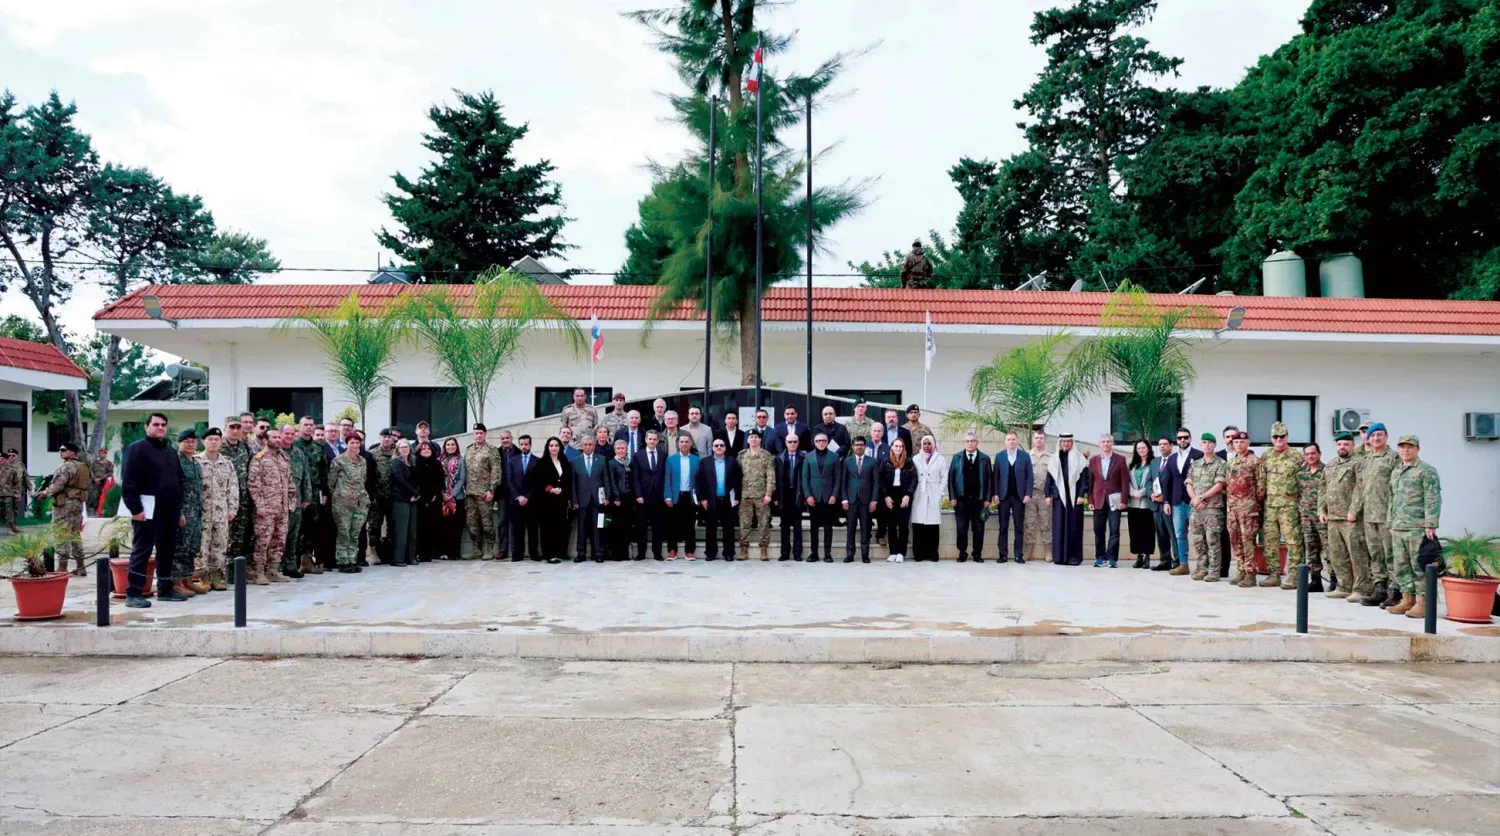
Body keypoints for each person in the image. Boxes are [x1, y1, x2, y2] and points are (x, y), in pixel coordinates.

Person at [1387, 434, 1442, 618]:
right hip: (1398, 526)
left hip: (1417, 527)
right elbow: (1392, 498)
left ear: (1417, 449)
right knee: (1401, 566)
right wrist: (1390, 521)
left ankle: (1423, 603)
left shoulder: (1426, 471)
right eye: (1402, 447)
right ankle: (1407, 599)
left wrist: (1431, 524)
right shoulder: (1396, 471)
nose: (1406, 450)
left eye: (1410, 447)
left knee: (1418, 566)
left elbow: (1433, 498)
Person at [1352, 422, 1400, 608]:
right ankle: (1380, 589)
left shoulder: (1393, 458)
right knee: (1375, 554)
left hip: (1387, 515)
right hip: (1369, 516)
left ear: (1386, 436)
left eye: (1380, 435)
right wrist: (1354, 510)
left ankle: (1395, 591)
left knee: (1391, 554)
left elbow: (1399, 487)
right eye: (1372, 435)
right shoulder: (1367, 459)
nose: (1376, 438)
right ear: (1368, 439)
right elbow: (1360, 488)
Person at [1319, 432, 1371, 602]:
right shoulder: (1331, 464)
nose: (1342, 447)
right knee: (1337, 554)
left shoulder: (1359, 463)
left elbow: (1360, 488)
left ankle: (1361, 588)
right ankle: (1344, 586)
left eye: (1346, 444)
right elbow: (1323, 488)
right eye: (1339, 444)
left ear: (1352, 446)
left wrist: (1354, 510)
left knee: (1357, 554)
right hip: (1333, 516)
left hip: (1351, 518)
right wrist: (1321, 510)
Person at [246, 424, 294, 585]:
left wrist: (291, 501)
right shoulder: (259, 458)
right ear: (266, 440)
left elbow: (289, 481)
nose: (278, 440)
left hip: (282, 507)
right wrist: (259, 506)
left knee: (279, 540)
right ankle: (258, 572)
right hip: (266, 507)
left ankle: (272, 570)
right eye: (274, 437)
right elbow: (253, 484)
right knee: (263, 540)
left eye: (279, 437)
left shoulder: (283, 457)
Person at [1260, 421, 1304, 590]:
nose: (1278, 439)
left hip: (1289, 506)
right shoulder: (1266, 456)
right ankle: (1274, 574)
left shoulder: (1297, 456)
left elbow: (1303, 480)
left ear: (1287, 437)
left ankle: (1295, 576)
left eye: (1282, 436)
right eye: (1275, 437)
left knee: (1293, 542)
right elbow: (1262, 480)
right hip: (1270, 506)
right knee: (1270, 541)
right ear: (1271, 438)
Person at [35, 442, 89, 577]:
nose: (60, 452)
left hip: (64, 504)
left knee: (61, 533)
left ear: (72, 452)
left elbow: (58, 485)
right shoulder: (83, 466)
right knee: (75, 534)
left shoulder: (66, 466)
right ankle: (81, 566)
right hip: (78, 503)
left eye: (63, 450)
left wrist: (44, 493)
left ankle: (62, 567)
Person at [195, 427, 238, 591]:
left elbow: (233, 487)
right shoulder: (196, 461)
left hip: (221, 512)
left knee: (220, 545)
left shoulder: (227, 463)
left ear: (220, 442)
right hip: (202, 512)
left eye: (216, 440)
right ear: (203, 441)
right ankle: (203, 578)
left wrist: (232, 509)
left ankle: (217, 577)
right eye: (210, 439)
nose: (213, 442)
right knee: (202, 546)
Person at [1158, 427, 1202, 574]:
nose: (1183, 440)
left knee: (1199, 534)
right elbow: (1167, 482)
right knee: (1179, 534)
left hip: (1194, 501)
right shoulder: (1172, 458)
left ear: (1190, 439)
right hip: (1177, 502)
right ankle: (1183, 564)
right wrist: (1166, 502)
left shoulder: (1198, 455)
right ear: (1176, 441)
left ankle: (1203, 566)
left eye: (1185, 437)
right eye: (1180, 438)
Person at [1186, 434, 1228, 581]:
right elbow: (1189, 483)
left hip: (1212, 510)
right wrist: (1194, 499)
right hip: (1197, 509)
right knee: (1198, 540)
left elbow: (1219, 485)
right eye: (1204, 442)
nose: (1207, 445)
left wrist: (1201, 497)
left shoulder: (1221, 463)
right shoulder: (1195, 464)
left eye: (1210, 442)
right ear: (1200, 445)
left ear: (1215, 445)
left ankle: (1214, 571)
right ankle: (1202, 569)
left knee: (1212, 541)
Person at [1224, 432, 1263, 586]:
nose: (1239, 444)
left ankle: (1251, 574)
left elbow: (1261, 486)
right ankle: (1241, 570)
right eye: (1236, 442)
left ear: (1248, 443)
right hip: (1232, 508)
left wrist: (1254, 504)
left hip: (1248, 508)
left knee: (1248, 541)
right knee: (1235, 540)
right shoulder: (1232, 462)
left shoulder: (1255, 461)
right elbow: (1228, 485)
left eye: (1242, 442)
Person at [329, 432, 371, 573]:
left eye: (357, 442)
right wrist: (339, 494)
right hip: (342, 502)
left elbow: (363, 479)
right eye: (352, 442)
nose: (355, 445)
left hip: (360, 502)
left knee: (354, 533)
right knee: (344, 532)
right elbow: (331, 481)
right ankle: (343, 561)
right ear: (347, 443)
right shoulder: (339, 460)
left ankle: (352, 559)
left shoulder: (362, 461)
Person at [947, 432, 992, 563]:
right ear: (964, 443)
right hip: (961, 500)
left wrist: (988, 498)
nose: (970, 443)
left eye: (972, 441)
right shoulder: (957, 458)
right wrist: (952, 496)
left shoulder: (985, 459)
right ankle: (962, 553)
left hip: (979, 500)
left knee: (978, 528)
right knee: (961, 528)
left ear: (977, 442)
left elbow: (989, 480)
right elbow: (951, 479)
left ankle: (977, 554)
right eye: (967, 441)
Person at [1045, 433, 1089, 566]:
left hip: (1075, 499)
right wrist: (1047, 495)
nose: (1065, 444)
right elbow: (1049, 479)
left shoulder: (1080, 458)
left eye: (1068, 441)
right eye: (1063, 441)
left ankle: (1074, 557)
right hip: (1059, 499)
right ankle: (1059, 557)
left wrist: (1081, 494)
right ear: (1059, 442)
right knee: (1059, 528)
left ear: (1072, 443)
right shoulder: (1054, 458)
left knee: (1074, 527)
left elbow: (1084, 479)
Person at [171, 430, 205, 597]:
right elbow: (174, 489)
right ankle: (176, 582)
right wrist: (179, 512)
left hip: (196, 513)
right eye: (186, 441)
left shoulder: (195, 463)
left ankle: (188, 580)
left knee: (192, 548)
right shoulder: (176, 462)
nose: (190, 444)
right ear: (179, 443)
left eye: (193, 441)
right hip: (184, 512)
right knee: (180, 548)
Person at [287, 417, 322, 578]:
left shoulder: (318, 447)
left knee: (311, 527)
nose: (308, 427)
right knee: (296, 529)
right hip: (296, 493)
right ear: (299, 427)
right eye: (305, 425)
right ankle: (292, 564)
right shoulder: (293, 446)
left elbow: (323, 471)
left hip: (314, 494)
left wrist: (324, 492)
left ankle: (307, 561)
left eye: (311, 425)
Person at [696, 437, 741, 561]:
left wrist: (737, 498)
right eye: (716, 445)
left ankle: (729, 553)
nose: (719, 447)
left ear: (725, 448)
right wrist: (702, 499)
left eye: (721, 445)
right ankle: (710, 553)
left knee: (729, 528)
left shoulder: (732, 461)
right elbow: (700, 481)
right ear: (712, 448)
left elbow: (738, 481)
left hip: (728, 500)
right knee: (710, 528)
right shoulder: (705, 462)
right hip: (711, 500)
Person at [530, 437, 573, 564]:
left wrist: (562, 490)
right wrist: (551, 489)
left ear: (560, 447)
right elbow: (538, 481)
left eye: (556, 445)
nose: (554, 448)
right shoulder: (542, 462)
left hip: (561, 500)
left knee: (561, 526)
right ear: (547, 448)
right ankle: (549, 554)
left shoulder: (564, 461)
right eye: (551, 445)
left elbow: (568, 480)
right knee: (548, 527)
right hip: (547, 501)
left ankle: (560, 552)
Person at [801, 432, 843, 562]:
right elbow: (804, 478)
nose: (821, 443)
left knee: (828, 527)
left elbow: (838, 478)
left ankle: (827, 553)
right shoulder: (808, 457)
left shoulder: (834, 456)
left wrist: (834, 495)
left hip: (829, 498)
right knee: (813, 527)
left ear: (827, 442)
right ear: (814, 442)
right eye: (818, 440)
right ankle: (814, 553)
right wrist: (808, 495)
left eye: (823, 440)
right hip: (813, 498)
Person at [992, 430, 1032, 564]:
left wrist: (1028, 493)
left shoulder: (1025, 456)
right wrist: (995, 493)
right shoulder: (999, 456)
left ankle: (1018, 555)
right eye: (1009, 439)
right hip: (1003, 496)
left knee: (1019, 526)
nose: (1011, 442)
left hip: (1019, 497)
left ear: (1017, 441)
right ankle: (1002, 554)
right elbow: (995, 476)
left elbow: (1030, 476)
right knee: (1003, 526)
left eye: (1013, 439)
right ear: (1005, 442)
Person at [1088, 434, 1128, 568]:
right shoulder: (1093, 460)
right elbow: (1090, 482)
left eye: (1108, 441)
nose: (1106, 444)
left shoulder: (1120, 459)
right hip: (1098, 500)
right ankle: (1100, 557)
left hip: (1115, 501)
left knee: (1114, 530)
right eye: (1103, 442)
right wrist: (1090, 500)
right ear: (1099, 444)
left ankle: (1112, 558)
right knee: (1098, 530)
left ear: (1112, 443)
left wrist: (1124, 500)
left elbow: (1124, 482)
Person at [463, 424, 502, 560]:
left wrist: (491, 490)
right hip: (470, 493)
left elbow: (496, 471)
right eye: (476, 433)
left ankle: (489, 549)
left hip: (484, 493)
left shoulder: (491, 450)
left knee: (486, 523)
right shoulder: (469, 450)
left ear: (485, 434)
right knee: (471, 523)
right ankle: (476, 549)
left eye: (481, 433)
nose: (478, 435)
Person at [737, 429, 776, 560]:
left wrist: (768, 494)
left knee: (764, 522)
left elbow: (770, 476)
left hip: (761, 495)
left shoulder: (766, 455)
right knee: (744, 523)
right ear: (747, 440)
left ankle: (763, 548)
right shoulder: (742, 455)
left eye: (756, 437)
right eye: (751, 437)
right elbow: (736, 475)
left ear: (760, 440)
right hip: (745, 495)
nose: (753, 439)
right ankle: (744, 549)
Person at [222, 419, 254, 571]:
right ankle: (226, 571)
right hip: (225, 499)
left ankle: (240, 570)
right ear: (225, 428)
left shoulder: (245, 447)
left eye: (238, 427)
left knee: (242, 535)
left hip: (244, 498)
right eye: (232, 427)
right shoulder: (219, 446)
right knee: (225, 536)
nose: (235, 431)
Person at [631, 429, 668, 561]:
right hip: (643, 496)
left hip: (658, 496)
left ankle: (657, 552)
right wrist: (638, 495)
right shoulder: (637, 455)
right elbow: (635, 477)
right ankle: (641, 553)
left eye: (654, 439)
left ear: (658, 441)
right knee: (641, 526)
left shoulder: (663, 455)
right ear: (646, 440)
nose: (652, 441)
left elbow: (665, 475)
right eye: (650, 439)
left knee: (658, 525)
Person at [1297, 443, 1329, 592]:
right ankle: (1316, 580)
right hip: (1306, 516)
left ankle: (1334, 580)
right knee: (1311, 548)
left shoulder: (1327, 471)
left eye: (1313, 453)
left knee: (1328, 548)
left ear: (1319, 454)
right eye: (1307, 454)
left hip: (1322, 516)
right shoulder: (1301, 473)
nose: (1310, 456)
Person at [879, 438, 917, 562]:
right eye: (896, 446)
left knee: (903, 525)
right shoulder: (886, 461)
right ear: (892, 447)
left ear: (903, 448)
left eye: (901, 446)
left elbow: (914, 479)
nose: (898, 448)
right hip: (890, 496)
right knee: (891, 524)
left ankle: (901, 552)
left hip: (904, 495)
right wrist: (886, 496)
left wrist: (908, 495)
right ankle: (893, 552)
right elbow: (880, 480)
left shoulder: (909, 461)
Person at [841, 435, 877, 563]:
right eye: (857, 445)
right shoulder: (847, 461)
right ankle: (850, 555)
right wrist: (844, 499)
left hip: (866, 501)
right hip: (851, 501)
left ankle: (865, 555)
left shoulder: (872, 461)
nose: (859, 447)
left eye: (861, 445)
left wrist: (874, 500)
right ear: (853, 447)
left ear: (865, 446)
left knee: (865, 529)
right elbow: (843, 481)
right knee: (850, 528)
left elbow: (875, 482)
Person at [571, 436, 608, 563]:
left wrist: (607, 497)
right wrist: (574, 500)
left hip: (598, 500)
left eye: (590, 444)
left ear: (594, 446)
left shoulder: (602, 459)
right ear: (582, 446)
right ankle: (581, 553)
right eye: (585, 444)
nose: (587, 447)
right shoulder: (575, 461)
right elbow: (573, 484)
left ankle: (598, 553)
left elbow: (606, 479)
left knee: (598, 527)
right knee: (581, 528)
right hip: (581, 500)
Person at [910, 435, 946, 562]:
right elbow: (912, 475)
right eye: (924, 443)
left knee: (933, 526)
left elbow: (944, 477)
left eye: (929, 443)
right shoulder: (915, 458)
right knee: (918, 525)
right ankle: (918, 554)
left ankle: (933, 553)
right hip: (919, 492)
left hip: (933, 491)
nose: (926, 446)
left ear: (933, 444)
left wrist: (939, 492)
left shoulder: (940, 459)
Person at [664, 433, 700, 560]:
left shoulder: (696, 460)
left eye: (686, 442)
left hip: (690, 496)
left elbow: (699, 480)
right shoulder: (671, 459)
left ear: (690, 444)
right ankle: (672, 550)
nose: (684, 444)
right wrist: (667, 496)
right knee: (672, 524)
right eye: (682, 442)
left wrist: (698, 497)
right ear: (678, 444)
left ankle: (689, 551)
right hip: (675, 496)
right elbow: (667, 479)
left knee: (690, 524)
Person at [505, 435, 540, 561]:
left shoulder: (537, 461)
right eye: (521, 444)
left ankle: (533, 553)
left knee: (533, 529)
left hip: (532, 501)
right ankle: (517, 554)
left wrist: (528, 497)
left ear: (530, 445)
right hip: (516, 501)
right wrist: (518, 496)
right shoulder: (512, 461)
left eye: (526, 444)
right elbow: (509, 481)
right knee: (517, 529)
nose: (524, 447)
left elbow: (537, 482)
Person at [774, 433, 806, 561]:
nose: (792, 444)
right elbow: (775, 478)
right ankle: (785, 553)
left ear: (798, 443)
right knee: (784, 526)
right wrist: (775, 497)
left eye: (795, 442)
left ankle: (797, 553)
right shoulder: (779, 458)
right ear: (785, 443)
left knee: (797, 525)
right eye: (790, 442)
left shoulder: (804, 457)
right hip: (784, 495)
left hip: (798, 494)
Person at [1125, 440, 1157, 569]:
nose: (1141, 450)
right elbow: (1127, 481)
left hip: (1147, 503)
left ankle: (1147, 557)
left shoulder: (1154, 463)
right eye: (1138, 448)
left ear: (1148, 448)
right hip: (1133, 503)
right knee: (1135, 531)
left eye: (1143, 447)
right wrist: (1132, 492)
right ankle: (1138, 556)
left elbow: (1154, 481)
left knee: (1147, 531)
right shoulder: (1133, 464)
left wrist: (1142, 492)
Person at [368, 429, 397, 563]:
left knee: (393, 524)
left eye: (389, 437)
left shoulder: (396, 453)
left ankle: (391, 552)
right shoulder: (372, 453)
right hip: (377, 496)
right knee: (374, 525)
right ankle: (374, 551)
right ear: (380, 438)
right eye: (384, 437)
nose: (386, 439)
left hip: (393, 496)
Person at [389, 440, 419, 566]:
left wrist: (417, 494)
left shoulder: (412, 463)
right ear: (397, 449)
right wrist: (413, 494)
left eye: (406, 447)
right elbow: (400, 481)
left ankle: (411, 558)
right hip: (401, 500)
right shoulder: (396, 463)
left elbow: (417, 480)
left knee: (412, 532)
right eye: (401, 447)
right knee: (401, 532)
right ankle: (398, 559)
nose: (404, 449)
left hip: (413, 500)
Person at [414, 438, 445, 563]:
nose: (426, 450)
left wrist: (434, 496)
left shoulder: (437, 464)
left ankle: (429, 553)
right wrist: (421, 497)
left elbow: (440, 481)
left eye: (428, 448)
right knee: (420, 527)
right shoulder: (415, 463)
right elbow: (415, 482)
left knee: (432, 527)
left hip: (434, 500)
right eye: (423, 449)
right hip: (419, 500)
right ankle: (419, 553)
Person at [1150, 437, 1177, 572]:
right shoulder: (1154, 462)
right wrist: (1151, 494)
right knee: (1161, 534)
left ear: (1171, 446)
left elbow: (1176, 483)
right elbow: (1150, 481)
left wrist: (1165, 498)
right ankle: (1165, 560)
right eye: (1160, 444)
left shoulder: (1176, 460)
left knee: (1173, 534)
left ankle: (1177, 561)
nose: (1162, 446)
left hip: (1170, 504)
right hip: (1156, 505)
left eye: (1165, 444)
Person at [605, 438, 636, 560]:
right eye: (618, 448)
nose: (621, 450)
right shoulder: (612, 463)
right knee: (617, 526)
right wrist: (616, 496)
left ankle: (624, 553)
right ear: (615, 450)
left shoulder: (630, 463)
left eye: (623, 448)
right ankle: (616, 553)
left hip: (628, 498)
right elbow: (612, 481)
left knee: (626, 526)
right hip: (618, 499)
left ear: (626, 449)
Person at [1024, 430, 1052, 562]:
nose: (1039, 440)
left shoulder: (1051, 456)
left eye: (1041, 438)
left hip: (1045, 494)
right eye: (1036, 438)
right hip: (1030, 494)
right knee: (1029, 523)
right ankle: (1028, 550)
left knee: (1046, 522)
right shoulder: (1026, 456)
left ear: (1045, 440)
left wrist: (1051, 494)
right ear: (1033, 440)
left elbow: (1054, 477)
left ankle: (1048, 550)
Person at [437, 437, 466, 560]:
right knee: (444, 526)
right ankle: (444, 552)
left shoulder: (461, 460)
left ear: (456, 446)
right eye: (448, 445)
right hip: (443, 498)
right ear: (445, 447)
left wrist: (452, 494)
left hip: (457, 498)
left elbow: (462, 478)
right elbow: (437, 479)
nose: (450, 447)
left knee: (456, 526)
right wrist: (443, 493)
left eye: (452, 444)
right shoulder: (440, 460)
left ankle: (454, 553)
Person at [867, 423, 892, 545]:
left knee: (882, 510)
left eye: (879, 431)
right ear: (870, 432)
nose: (876, 433)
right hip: (867, 483)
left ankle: (881, 535)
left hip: (882, 483)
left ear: (883, 433)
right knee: (867, 509)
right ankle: (867, 534)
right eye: (874, 431)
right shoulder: (865, 446)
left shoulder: (887, 448)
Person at [0, 449, 24, 534]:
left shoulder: (12, 470)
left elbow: (16, 482)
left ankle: (11, 528)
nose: (0, 460)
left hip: (7, 494)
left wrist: (17, 493)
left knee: (9, 512)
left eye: (2, 459)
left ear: (6, 460)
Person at [86, 447, 113, 515]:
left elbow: (110, 473)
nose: (100, 454)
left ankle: (102, 511)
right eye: (100, 453)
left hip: (104, 483)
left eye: (102, 453)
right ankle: (95, 511)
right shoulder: (94, 462)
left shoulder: (108, 463)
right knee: (94, 497)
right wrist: (95, 479)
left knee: (103, 496)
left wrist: (100, 478)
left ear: (105, 454)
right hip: (95, 483)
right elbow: (90, 471)